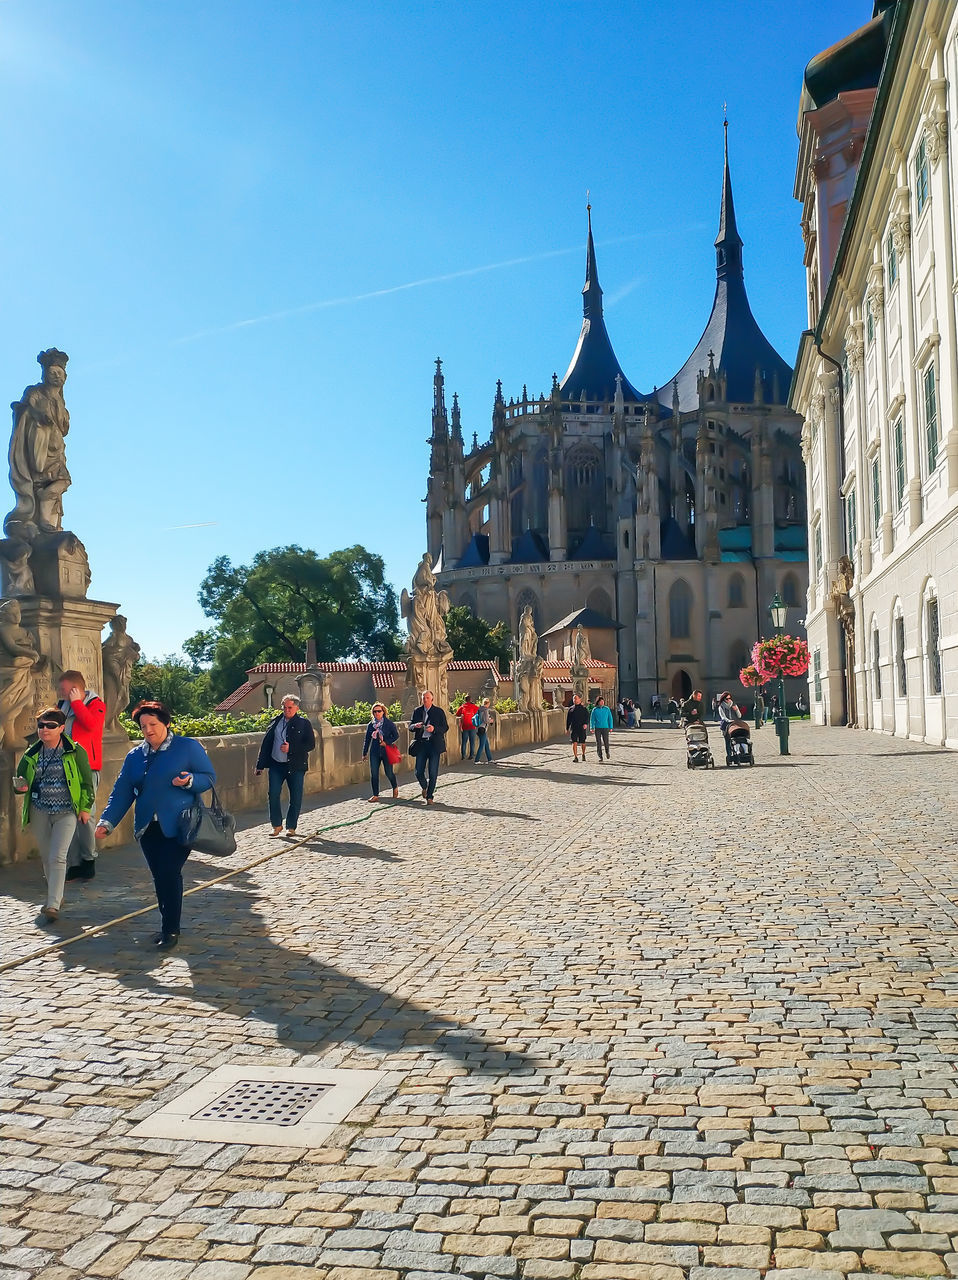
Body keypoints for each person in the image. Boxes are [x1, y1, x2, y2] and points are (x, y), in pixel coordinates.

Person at [95, 701, 215, 951]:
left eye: (153, 724)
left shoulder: (188, 747)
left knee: (169, 872)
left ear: (166, 723)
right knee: (160, 876)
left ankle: (171, 929)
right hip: (148, 828)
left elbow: (209, 778)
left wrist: (190, 780)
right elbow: (122, 792)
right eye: (143, 726)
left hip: (181, 824)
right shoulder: (135, 756)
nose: (148, 730)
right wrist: (107, 822)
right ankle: (167, 924)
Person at [15, 708, 94, 924]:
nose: (44, 730)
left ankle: (52, 904)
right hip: (39, 809)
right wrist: (20, 787)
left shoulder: (75, 751)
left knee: (58, 856)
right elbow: (20, 779)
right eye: (41, 725)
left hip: (66, 811)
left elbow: (87, 783)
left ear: (61, 728)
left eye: (50, 726)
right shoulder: (31, 753)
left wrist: (85, 808)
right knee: (46, 856)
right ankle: (56, 896)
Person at [57, 669, 106, 882]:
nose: (61, 692)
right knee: (68, 817)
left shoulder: (96, 704)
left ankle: (89, 860)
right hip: (64, 767)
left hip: (87, 768)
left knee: (85, 816)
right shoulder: (62, 705)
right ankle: (75, 862)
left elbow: (92, 726)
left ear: (76, 689)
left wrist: (77, 703)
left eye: (65, 689)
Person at [255, 694, 316, 835]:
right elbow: (266, 744)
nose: (287, 710)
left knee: (295, 796)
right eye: (285, 707)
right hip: (276, 764)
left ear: (297, 708)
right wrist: (260, 765)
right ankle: (276, 825)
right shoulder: (275, 722)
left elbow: (310, 744)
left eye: (290, 707)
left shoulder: (304, 723)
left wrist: (292, 748)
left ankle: (291, 826)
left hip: (295, 765)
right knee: (273, 794)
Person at [410, 690, 449, 804]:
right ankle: (425, 787)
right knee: (418, 771)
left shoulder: (438, 711)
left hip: (434, 745)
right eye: (423, 697)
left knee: (433, 772)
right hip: (421, 744)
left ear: (432, 699)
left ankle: (430, 796)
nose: (425, 699)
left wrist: (434, 729)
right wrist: (415, 726)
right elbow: (410, 726)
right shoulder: (417, 711)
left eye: (427, 697)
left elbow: (445, 727)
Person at [362, 701, 400, 801]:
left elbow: (396, 735)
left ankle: (395, 786)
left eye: (379, 711)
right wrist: (364, 753)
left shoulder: (389, 724)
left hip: (386, 751)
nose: (377, 713)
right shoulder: (371, 725)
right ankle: (375, 795)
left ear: (383, 712)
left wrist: (386, 742)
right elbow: (367, 739)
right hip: (374, 751)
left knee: (389, 772)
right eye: (374, 712)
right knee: (374, 773)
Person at [717, 690, 741, 763]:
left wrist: (736, 710)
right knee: (728, 741)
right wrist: (728, 720)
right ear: (723, 699)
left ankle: (737, 753)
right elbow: (723, 717)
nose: (729, 700)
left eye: (729, 698)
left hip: (734, 725)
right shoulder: (721, 706)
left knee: (736, 739)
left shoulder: (733, 704)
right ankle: (729, 756)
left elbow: (739, 716)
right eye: (727, 699)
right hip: (726, 725)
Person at [566, 693, 590, 761]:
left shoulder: (584, 708)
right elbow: (568, 720)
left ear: (580, 699)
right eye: (574, 698)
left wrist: (585, 723)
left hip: (581, 727)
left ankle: (583, 754)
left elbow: (587, 717)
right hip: (574, 728)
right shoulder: (571, 709)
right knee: (574, 742)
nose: (575, 700)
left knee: (583, 742)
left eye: (576, 698)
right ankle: (575, 757)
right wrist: (567, 728)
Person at [589, 695, 614, 761]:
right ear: (598, 702)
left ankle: (607, 752)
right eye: (601, 701)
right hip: (598, 728)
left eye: (603, 701)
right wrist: (592, 727)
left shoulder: (607, 709)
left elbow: (610, 718)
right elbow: (592, 719)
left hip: (605, 728)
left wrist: (611, 727)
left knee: (606, 741)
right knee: (598, 742)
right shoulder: (595, 710)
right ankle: (600, 755)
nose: (602, 702)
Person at [475, 697, 495, 763]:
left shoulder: (479, 709)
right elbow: (486, 720)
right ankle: (477, 760)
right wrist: (490, 720)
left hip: (478, 728)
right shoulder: (485, 710)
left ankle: (490, 759)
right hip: (482, 728)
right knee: (482, 745)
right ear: (488, 703)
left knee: (486, 745)